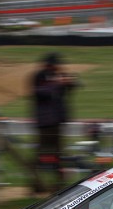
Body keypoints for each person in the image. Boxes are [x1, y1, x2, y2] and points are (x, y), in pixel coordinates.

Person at [31, 52, 80, 191]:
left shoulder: (58, 76)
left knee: (58, 154)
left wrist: (69, 82)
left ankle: (57, 184)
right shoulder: (39, 76)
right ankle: (36, 183)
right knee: (42, 153)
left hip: (57, 120)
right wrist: (57, 84)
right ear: (50, 65)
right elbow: (40, 92)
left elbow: (73, 86)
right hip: (45, 121)